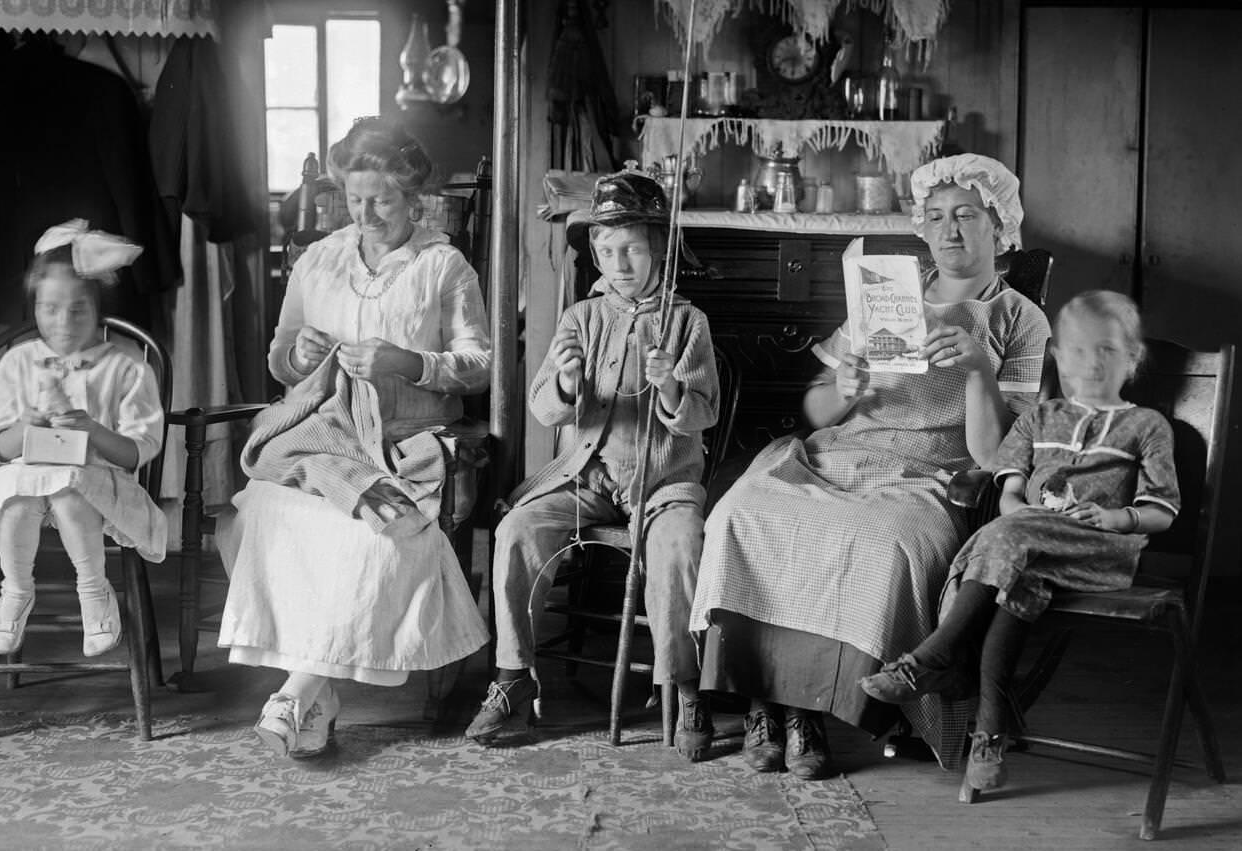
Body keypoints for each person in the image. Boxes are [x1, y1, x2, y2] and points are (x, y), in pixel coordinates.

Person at [689, 153, 1052, 778]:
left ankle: (809, 710)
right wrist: (847, 387)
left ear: (1002, 227)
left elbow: (997, 456)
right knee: (741, 512)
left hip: (932, 475)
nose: (950, 229)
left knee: (882, 541)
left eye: (966, 214)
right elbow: (818, 409)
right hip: (838, 456)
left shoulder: (1019, 317)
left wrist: (979, 370)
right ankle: (764, 704)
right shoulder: (889, 290)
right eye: (936, 216)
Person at [216, 117, 491, 759]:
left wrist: (407, 362)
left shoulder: (441, 265)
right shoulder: (321, 258)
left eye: (381, 201)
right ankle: (319, 695)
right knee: (262, 510)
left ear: (413, 199)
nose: (364, 213)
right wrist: (298, 354)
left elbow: (479, 367)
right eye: (354, 199)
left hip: (404, 441)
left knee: (377, 534)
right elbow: (279, 359)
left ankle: (299, 689)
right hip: (323, 436)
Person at [860, 290, 1177, 794]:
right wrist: (1021, 517)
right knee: (1015, 576)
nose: (1090, 364)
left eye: (1107, 350)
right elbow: (1009, 493)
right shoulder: (1037, 419)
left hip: (1099, 549)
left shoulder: (1146, 426)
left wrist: (1118, 518)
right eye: (1076, 350)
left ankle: (934, 657)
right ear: (1058, 358)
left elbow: (1163, 511)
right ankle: (989, 738)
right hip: (1027, 553)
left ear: (1132, 359)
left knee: (1006, 542)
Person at [465, 170, 720, 760]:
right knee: (517, 530)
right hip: (588, 476)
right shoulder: (582, 316)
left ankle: (682, 688)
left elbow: (701, 413)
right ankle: (513, 677)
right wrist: (566, 379)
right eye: (607, 251)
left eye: (631, 248)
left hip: (664, 482)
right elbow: (543, 407)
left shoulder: (687, 321)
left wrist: (672, 390)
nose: (620, 262)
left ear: (659, 248)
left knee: (681, 549)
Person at [0, 220, 166, 657]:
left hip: (101, 486)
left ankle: (93, 588)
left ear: (98, 309)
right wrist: (28, 427)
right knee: (15, 494)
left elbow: (135, 452)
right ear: (35, 307)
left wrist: (92, 429)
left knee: (68, 489)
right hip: (27, 480)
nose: (63, 322)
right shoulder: (16, 364)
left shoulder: (125, 368)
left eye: (78, 309)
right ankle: (17, 589)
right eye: (49, 308)